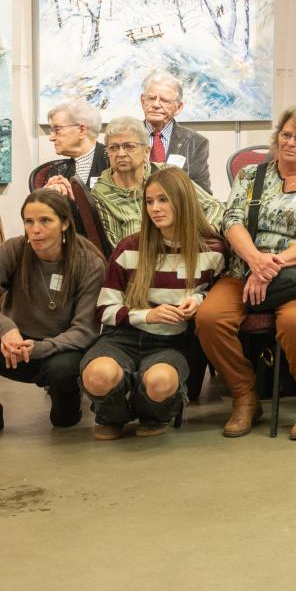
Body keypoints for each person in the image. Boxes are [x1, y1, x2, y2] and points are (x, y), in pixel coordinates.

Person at [197, 106, 296, 440]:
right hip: (245, 269)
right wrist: (255, 260)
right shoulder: (251, 176)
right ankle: (245, 396)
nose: (290, 142)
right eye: (286, 134)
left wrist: (271, 265)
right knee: (209, 319)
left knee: (294, 322)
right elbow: (231, 221)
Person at [0, 191, 104, 441]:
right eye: (29, 221)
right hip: (14, 348)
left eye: (45, 221)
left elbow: (85, 330)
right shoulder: (14, 249)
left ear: (64, 223)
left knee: (63, 417)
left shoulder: (89, 262)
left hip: (60, 350)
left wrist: (39, 348)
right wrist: (6, 327)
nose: (35, 230)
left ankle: (68, 397)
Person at [82, 167, 225, 439]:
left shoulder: (213, 250)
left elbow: (217, 292)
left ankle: (153, 414)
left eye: (163, 200)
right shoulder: (129, 248)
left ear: (184, 201)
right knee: (98, 375)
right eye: (149, 201)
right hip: (122, 337)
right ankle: (113, 416)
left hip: (171, 342)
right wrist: (147, 315)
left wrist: (199, 300)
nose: (155, 208)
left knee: (160, 382)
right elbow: (103, 310)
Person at [91, 115, 223, 244]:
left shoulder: (166, 173)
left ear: (146, 151)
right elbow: (115, 246)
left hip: (184, 249)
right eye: (113, 148)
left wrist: (204, 234)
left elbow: (214, 206)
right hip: (137, 256)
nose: (121, 154)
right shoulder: (102, 193)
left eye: (129, 146)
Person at [138, 71, 212, 191]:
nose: (156, 104)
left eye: (164, 101)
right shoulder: (126, 138)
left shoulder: (195, 142)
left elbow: (202, 192)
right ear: (142, 101)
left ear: (179, 107)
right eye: (151, 98)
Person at [41, 99, 107, 198]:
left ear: (81, 130)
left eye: (57, 130)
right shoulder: (58, 172)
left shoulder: (113, 161)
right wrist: (48, 196)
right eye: (51, 130)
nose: (51, 137)